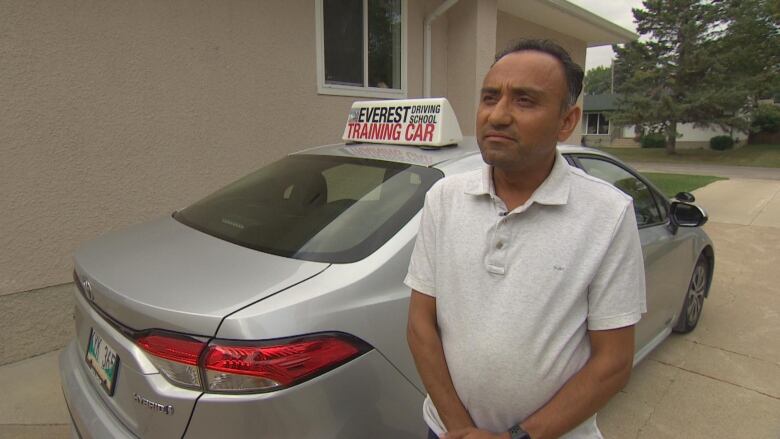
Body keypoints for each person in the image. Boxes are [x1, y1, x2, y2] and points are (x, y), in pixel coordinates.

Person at [405, 39, 646, 439]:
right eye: (489, 97)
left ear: (566, 122)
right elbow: (419, 326)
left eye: (525, 101)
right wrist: (461, 428)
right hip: (446, 430)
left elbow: (614, 363)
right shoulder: (444, 198)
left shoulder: (607, 213)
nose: (497, 115)